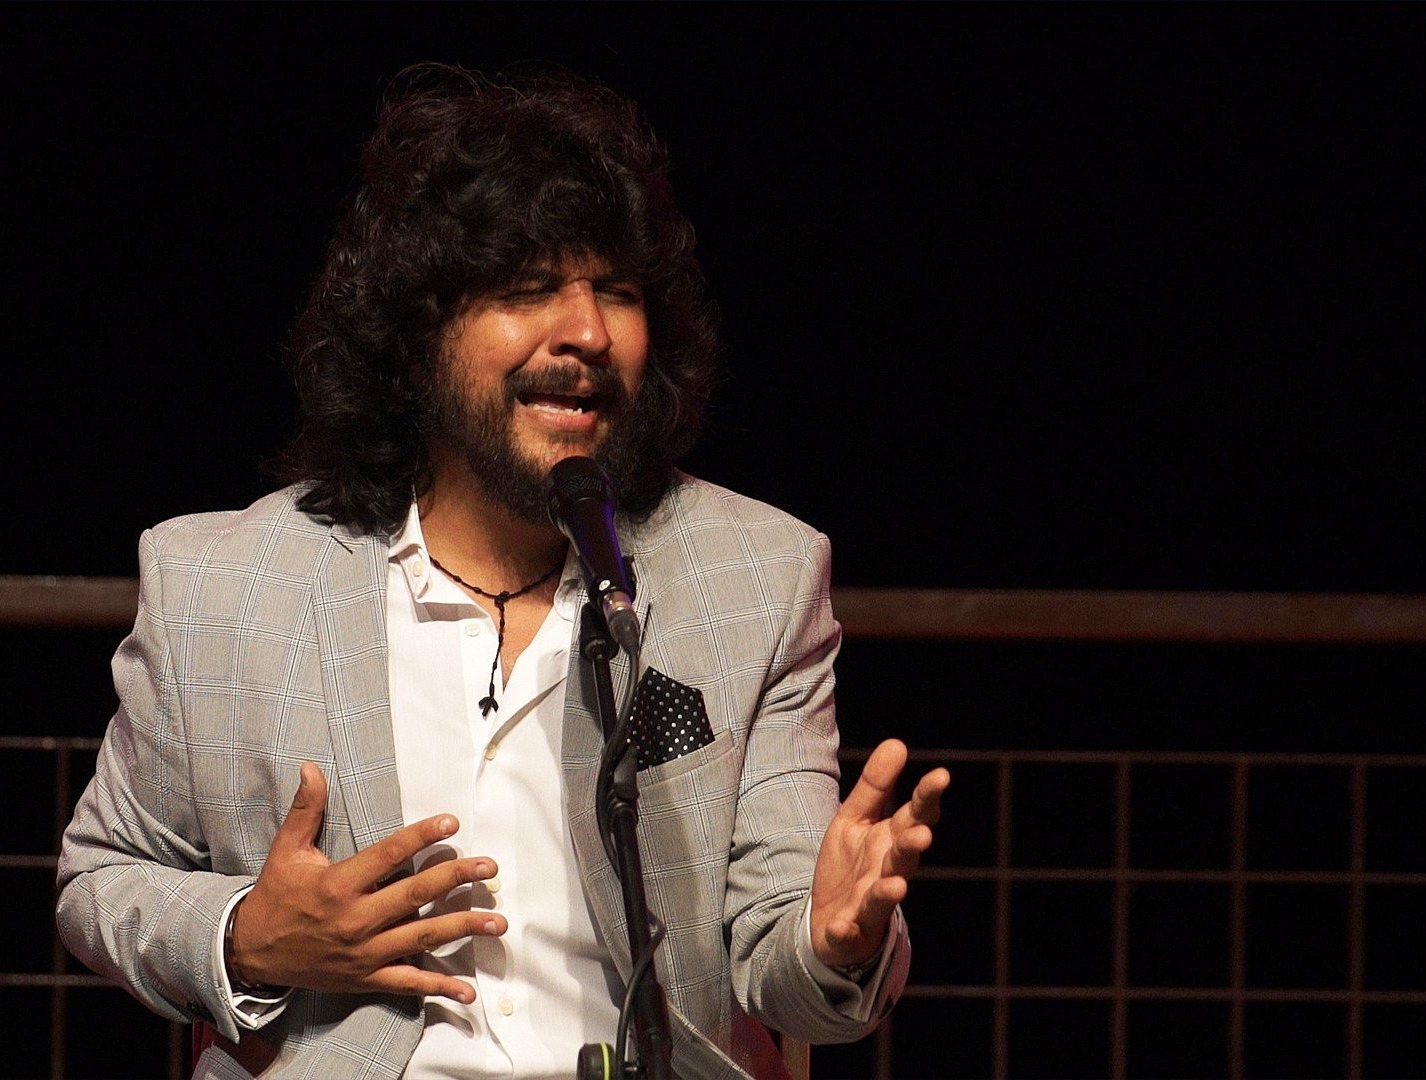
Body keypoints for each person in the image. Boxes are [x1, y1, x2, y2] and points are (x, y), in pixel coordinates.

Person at [56, 63, 950, 1080]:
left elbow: (794, 977)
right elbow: (101, 879)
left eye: (616, 291)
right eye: (527, 291)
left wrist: (835, 940)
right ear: (416, 334)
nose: (588, 332)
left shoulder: (755, 575)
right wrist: (246, 938)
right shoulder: (224, 582)